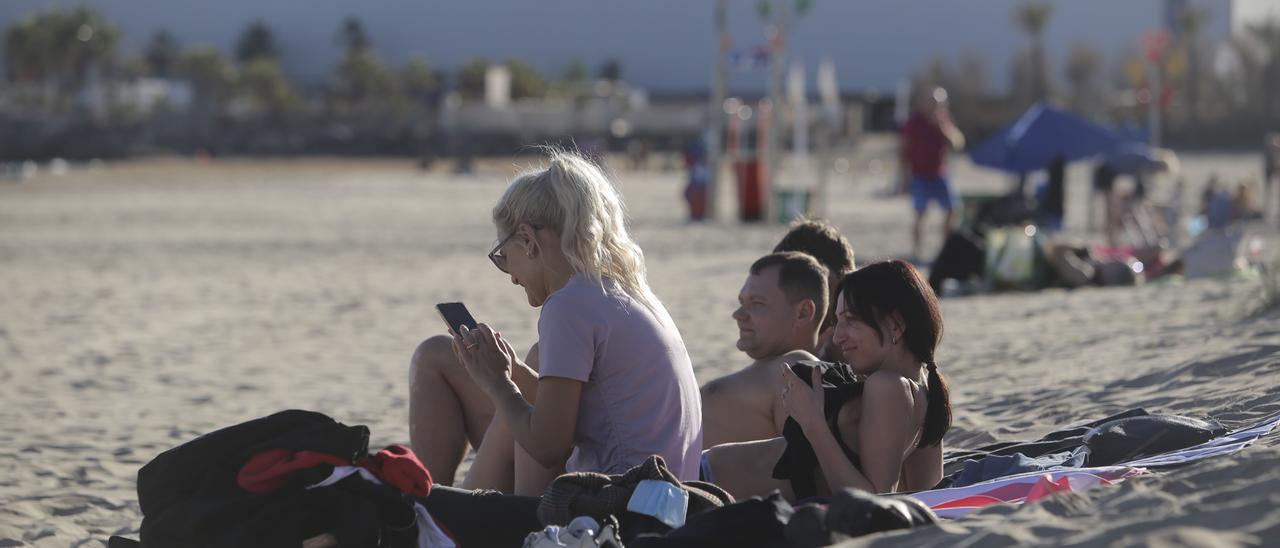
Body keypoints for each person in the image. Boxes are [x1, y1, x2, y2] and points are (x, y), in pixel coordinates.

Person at [409, 150, 703, 496]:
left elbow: (548, 444)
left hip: (617, 509)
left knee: (504, 407)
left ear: (528, 241)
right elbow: (587, 407)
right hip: (662, 501)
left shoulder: (568, 306)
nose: (510, 275)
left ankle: (434, 519)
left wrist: (499, 385)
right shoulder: (624, 292)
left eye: (503, 257)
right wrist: (511, 369)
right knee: (510, 381)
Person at [703, 260, 952, 501]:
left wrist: (813, 423)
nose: (837, 337)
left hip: (706, 486)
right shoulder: (928, 390)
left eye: (851, 320)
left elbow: (870, 502)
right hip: (705, 482)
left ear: (895, 325)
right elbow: (926, 495)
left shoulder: (887, 386)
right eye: (837, 322)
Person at [700, 252, 830, 447]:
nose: (738, 314)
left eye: (757, 303)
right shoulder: (773, 370)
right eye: (742, 302)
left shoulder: (796, 370)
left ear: (803, 313)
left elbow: (803, 466)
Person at [772, 217, 858, 363]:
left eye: (817, 284)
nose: (802, 294)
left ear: (841, 280)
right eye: (789, 286)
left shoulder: (863, 332)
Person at [900, 87, 965, 260]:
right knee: (920, 213)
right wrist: (904, 176)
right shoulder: (915, 122)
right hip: (919, 175)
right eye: (933, 103)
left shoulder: (943, 121)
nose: (935, 107)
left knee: (952, 208)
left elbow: (958, 143)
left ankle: (945, 248)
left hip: (939, 174)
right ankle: (916, 250)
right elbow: (904, 148)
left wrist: (944, 128)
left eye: (939, 104)